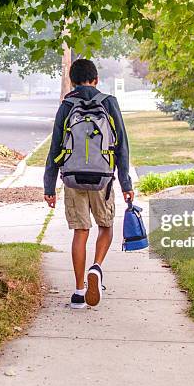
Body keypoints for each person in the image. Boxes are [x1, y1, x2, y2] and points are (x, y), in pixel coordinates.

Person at [44, 59, 134, 309]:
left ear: (72, 81)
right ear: (95, 80)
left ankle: (78, 291)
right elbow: (122, 145)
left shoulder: (67, 105)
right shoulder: (108, 102)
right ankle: (97, 268)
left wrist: (49, 187)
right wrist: (125, 183)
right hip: (102, 178)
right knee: (105, 226)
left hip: (72, 178)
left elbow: (55, 148)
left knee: (80, 232)